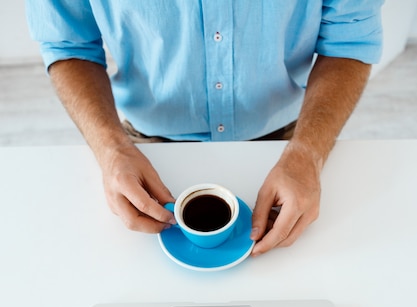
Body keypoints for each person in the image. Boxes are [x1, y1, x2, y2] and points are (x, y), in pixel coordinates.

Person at [26, 1, 383, 255]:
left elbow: (348, 41)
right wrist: (109, 148)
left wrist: (308, 153)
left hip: (294, 133)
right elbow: (67, 43)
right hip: (141, 148)